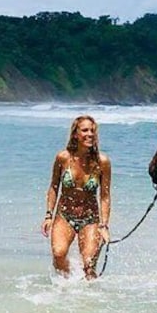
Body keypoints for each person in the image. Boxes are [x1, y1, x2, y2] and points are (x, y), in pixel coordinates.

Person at [41, 115, 111, 279]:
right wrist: (48, 215)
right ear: (75, 134)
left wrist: (104, 225)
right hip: (64, 216)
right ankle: (67, 286)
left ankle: (88, 299)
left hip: (90, 218)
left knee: (89, 266)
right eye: (85, 130)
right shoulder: (63, 158)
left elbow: (105, 196)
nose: (90, 134)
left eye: (92, 131)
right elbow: (53, 187)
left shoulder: (103, 162)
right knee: (58, 255)